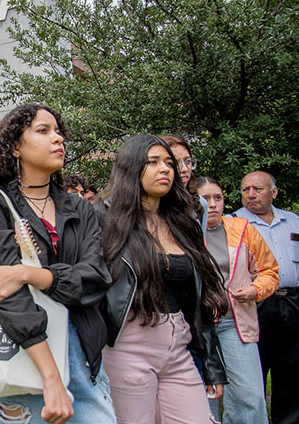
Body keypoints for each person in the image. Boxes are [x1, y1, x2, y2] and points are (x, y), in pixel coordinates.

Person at [0, 103, 116, 424]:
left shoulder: (78, 207)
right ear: (16, 147)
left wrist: (31, 274)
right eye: (43, 130)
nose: (58, 139)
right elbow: (9, 296)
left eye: (59, 132)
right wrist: (51, 377)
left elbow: (95, 278)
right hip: (22, 356)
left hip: (83, 356)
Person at [100, 135, 228, 424]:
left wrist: (211, 365)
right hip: (128, 347)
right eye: (153, 162)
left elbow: (199, 300)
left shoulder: (183, 222)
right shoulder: (106, 221)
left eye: (169, 163)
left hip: (178, 346)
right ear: (132, 168)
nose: (166, 169)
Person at [196, 176, 278, 424]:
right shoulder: (181, 231)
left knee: (250, 397)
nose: (212, 204)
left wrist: (255, 290)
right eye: (205, 198)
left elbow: (269, 271)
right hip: (196, 326)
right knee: (204, 398)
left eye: (217, 198)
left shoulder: (243, 229)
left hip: (235, 321)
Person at [234, 171, 299, 424]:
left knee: (292, 372)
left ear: (274, 192)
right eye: (245, 189)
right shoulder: (234, 223)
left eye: (257, 189)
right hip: (255, 303)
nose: (250, 195)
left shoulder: (293, 221)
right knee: (254, 371)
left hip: (293, 302)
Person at [161, 136, 208, 235]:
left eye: (188, 161)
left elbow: (201, 247)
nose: (184, 169)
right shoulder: (149, 205)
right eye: (175, 163)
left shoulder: (199, 203)